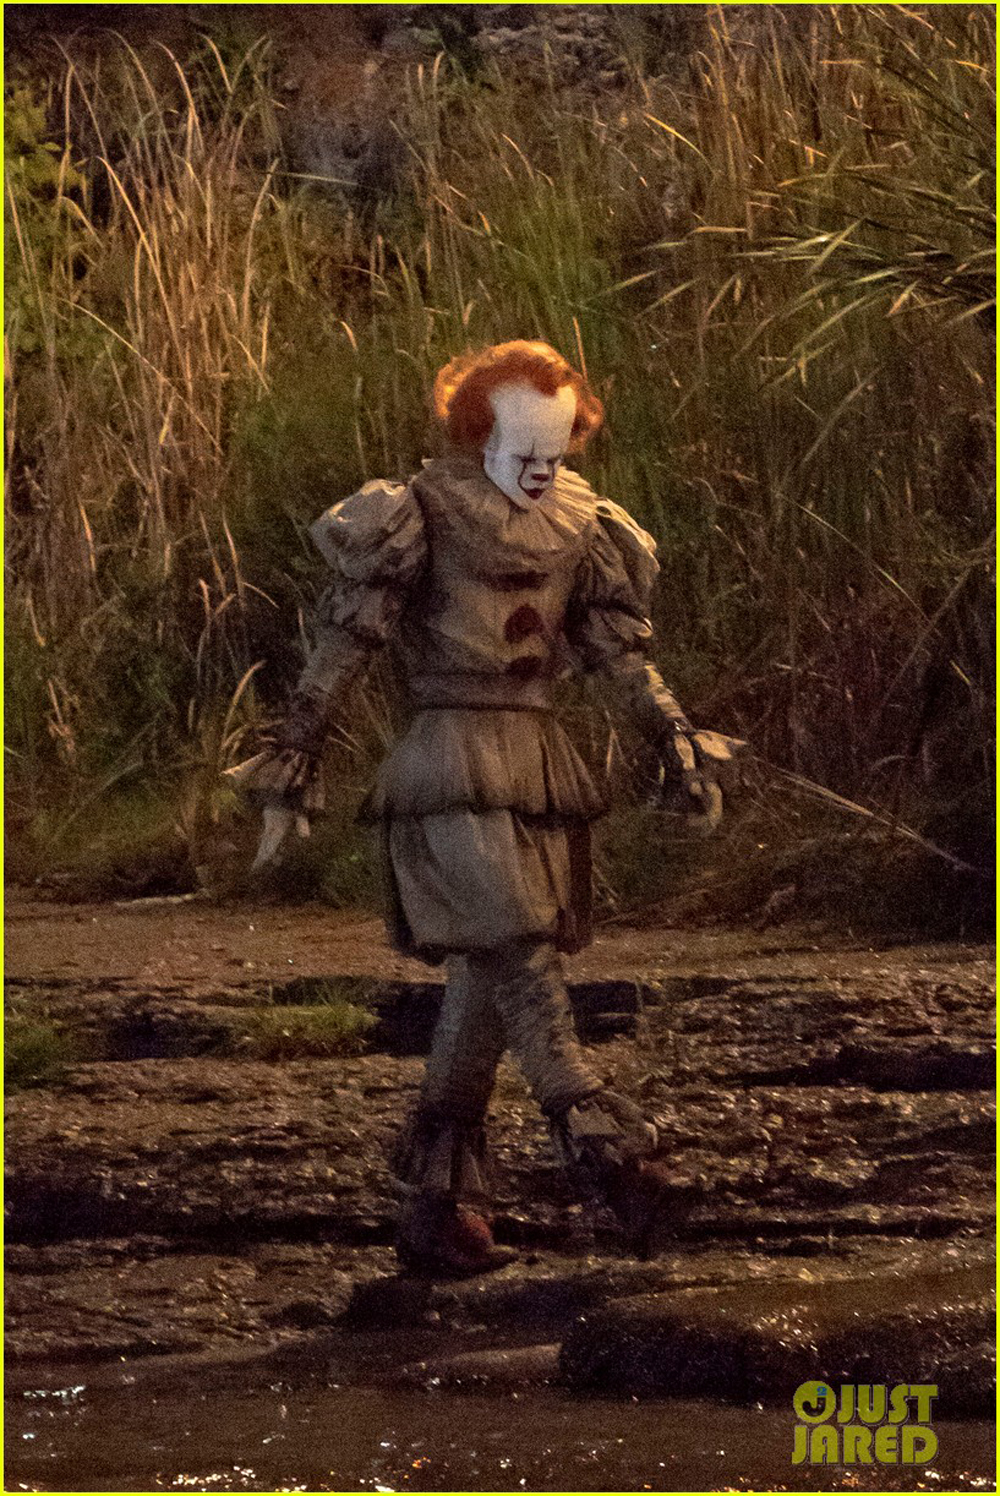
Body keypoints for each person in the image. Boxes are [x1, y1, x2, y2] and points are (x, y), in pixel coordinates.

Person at [232, 340, 741, 1275]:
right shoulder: (419, 512)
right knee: (519, 947)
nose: (541, 469)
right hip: (446, 761)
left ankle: (436, 1207)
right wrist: (292, 763)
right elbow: (346, 643)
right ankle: (609, 1154)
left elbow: (616, 655)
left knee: (486, 975)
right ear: (477, 435)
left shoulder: (582, 522)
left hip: (536, 760)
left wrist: (676, 740)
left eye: (556, 448)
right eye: (522, 449)